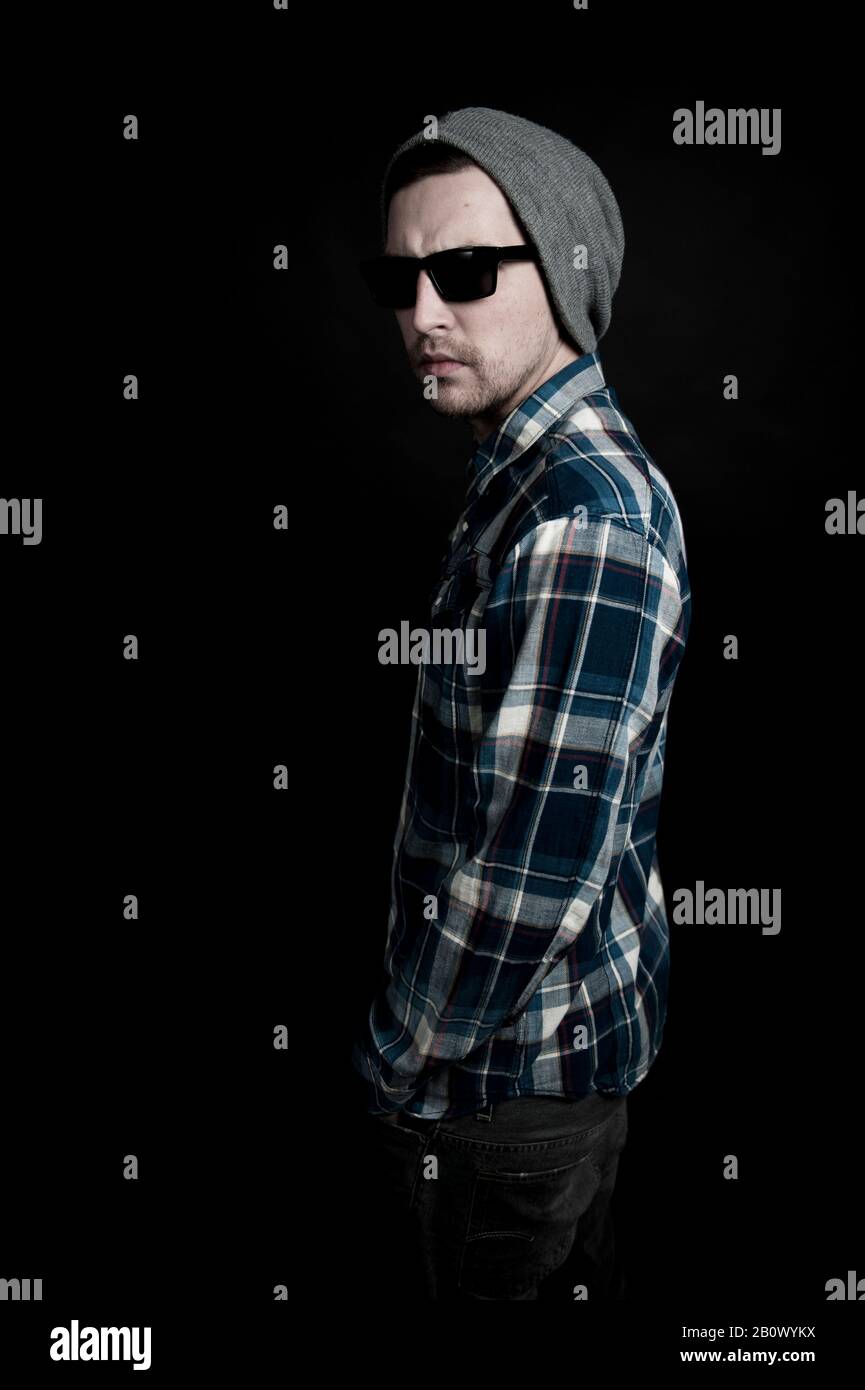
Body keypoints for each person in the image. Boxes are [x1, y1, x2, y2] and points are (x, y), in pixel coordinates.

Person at [350, 107, 691, 1301]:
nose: (421, 313)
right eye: (402, 275)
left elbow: (529, 872)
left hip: (505, 1098)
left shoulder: (579, 518)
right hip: (543, 1074)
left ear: (565, 271)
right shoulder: (526, 466)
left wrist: (400, 1061)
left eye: (464, 270)